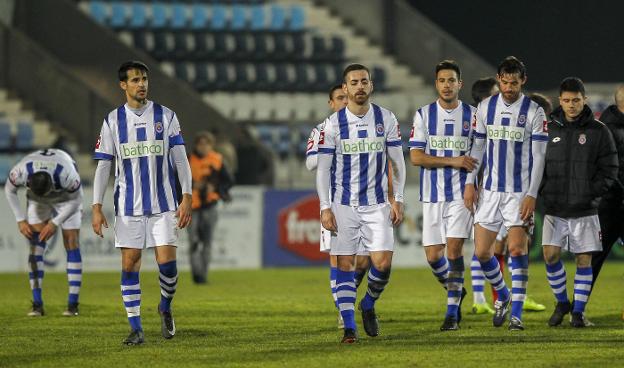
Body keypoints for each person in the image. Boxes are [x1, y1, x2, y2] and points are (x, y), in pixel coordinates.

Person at [91, 61, 193, 345]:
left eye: (144, 79)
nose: (142, 84)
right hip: (128, 206)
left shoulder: (166, 116)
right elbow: (103, 167)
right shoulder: (113, 121)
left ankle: (165, 306)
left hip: (164, 204)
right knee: (130, 263)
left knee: (167, 265)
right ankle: (135, 327)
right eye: (135, 80)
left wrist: (187, 195)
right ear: (123, 85)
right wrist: (96, 206)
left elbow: (181, 159)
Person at [316, 64, 406, 343]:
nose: (359, 86)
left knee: (383, 264)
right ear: (345, 88)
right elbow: (322, 169)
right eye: (353, 82)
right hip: (343, 205)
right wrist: (325, 206)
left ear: (371, 85)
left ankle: (368, 303)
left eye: (364, 81)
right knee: (345, 264)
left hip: (378, 204)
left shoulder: (386, 118)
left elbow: (397, 161)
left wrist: (398, 198)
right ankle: (349, 327)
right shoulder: (332, 124)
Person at [464, 56, 548, 331]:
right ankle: (505, 294)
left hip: (519, 192)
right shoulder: (486, 107)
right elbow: (477, 147)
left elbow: (539, 157)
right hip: (489, 192)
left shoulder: (534, 112)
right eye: (505, 81)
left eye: (514, 82)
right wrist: (469, 183)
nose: (509, 87)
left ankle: (517, 314)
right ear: (498, 80)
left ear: (523, 81)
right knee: (482, 252)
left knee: (515, 249)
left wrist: (531, 194)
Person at [541, 77, 618, 327]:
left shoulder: (598, 131)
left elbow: (609, 168)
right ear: (559, 101)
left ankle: (578, 313)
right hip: (555, 208)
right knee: (550, 256)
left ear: (584, 99)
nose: (571, 105)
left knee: (584, 260)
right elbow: (536, 165)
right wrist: (544, 191)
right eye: (566, 100)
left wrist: (591, 194)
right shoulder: (548, 129)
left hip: (585, 208)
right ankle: (562, 302)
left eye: (576, 100)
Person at [409, 60, 477, 330]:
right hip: (432, 193)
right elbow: (415, 157)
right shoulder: (424, 115)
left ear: (460, 84)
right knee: (433, 255)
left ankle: (451, 313)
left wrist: (473, 180)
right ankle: (456, 290)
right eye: (442, 81)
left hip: (461, 193)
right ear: (436, 84)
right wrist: (453, 161)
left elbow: (478, 156)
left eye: (452, 80)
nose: (447, 85)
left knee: (454, 250)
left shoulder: (473, 116)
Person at [5, 148, 83, 317]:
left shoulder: (67, 174)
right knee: (36, 246)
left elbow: (77, 199)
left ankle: (72, 304)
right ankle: (37, 304)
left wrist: (55, 222)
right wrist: (20, 219)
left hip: (67, 199)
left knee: (71, 242)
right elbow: (9, 190)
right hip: (36, 200)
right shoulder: (20, 171)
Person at [591, 85, 624, 316]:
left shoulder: (603, 127)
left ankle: (577, 306)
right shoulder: (606, 129)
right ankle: (577, 307)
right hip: (611, 201)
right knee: (594, 255)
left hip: (610, 200)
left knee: (594, 255)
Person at [188, 131, 233, 284]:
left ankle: (203, 274)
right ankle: (197, 273)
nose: (203, 147)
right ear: (196, 145)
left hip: (210, 206)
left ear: (211, 145)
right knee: (193, 241)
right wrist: (194, 185)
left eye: (206, 144)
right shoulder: (187, 160)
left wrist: (215, 188)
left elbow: (228, 181)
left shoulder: (218, 160)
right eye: (201, 144)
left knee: (207, 242)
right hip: (191, 206)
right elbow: (175, 181)